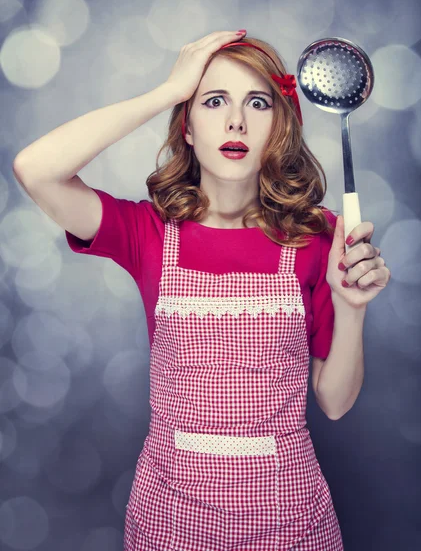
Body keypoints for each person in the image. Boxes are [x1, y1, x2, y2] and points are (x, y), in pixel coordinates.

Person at [13, 30, 390, 550]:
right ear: (187, 127)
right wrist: (166, 92)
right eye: (214, 101)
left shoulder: (319, 236)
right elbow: (35, 169)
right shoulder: (146, 232)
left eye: (258, 103)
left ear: (281, 125)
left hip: (289, 520)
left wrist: (352, 309)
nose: (236, 121)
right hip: (168, 520)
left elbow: (334, 402)